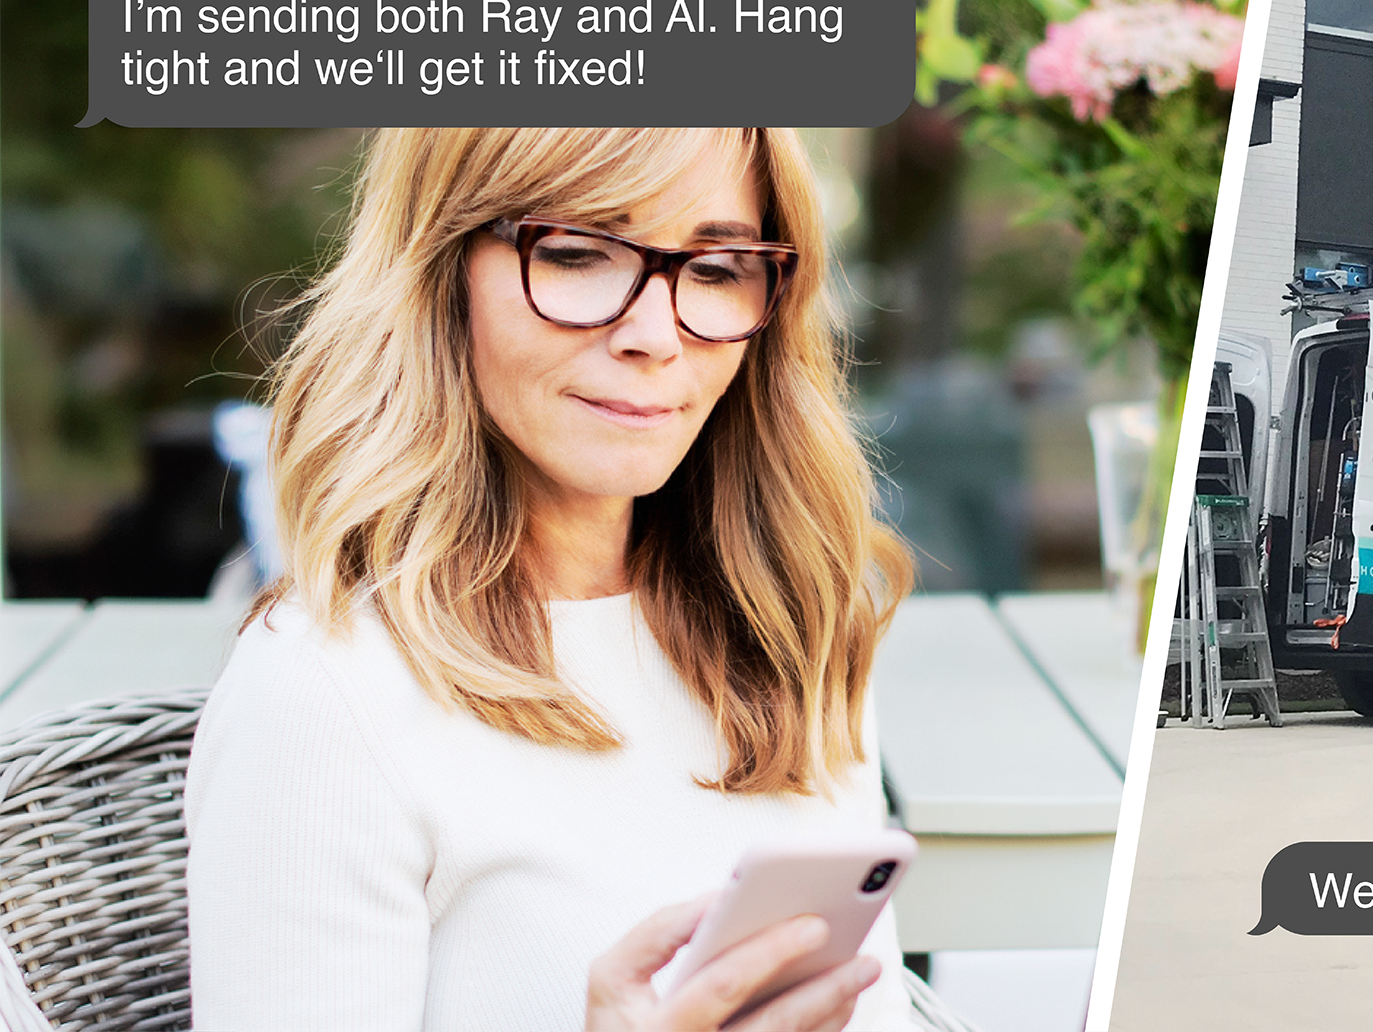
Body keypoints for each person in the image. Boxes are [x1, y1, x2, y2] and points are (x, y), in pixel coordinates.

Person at [185, 129, 915, 1032]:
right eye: (576, 254)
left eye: (720, 268)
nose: (656, 334)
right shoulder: (325, 694)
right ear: (440, 271)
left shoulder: (787, 622)